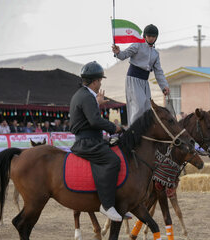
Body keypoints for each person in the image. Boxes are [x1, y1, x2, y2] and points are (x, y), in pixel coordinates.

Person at [69, 61, 127, 222]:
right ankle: (107, 205)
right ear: (94, 81)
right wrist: (114, 128)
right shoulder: (87, 96)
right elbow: (94, 121)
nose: (101, 83)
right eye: (100, 80)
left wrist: (97, 103)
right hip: (87, 142)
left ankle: (119, 204)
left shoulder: (83, 95)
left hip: (91, 139)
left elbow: (89, 116)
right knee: (113, 160)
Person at [112, 24, 170, 126]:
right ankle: (134, 132)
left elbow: (158, 72)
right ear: (144, 36)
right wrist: (118, 52)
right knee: (138, 107)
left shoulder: (155, 54)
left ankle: (144, 132)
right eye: (149, 36)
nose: (151, 38)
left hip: (144, 81)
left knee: (147, 107)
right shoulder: (137, 45)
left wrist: (164, 86)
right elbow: (124, 55)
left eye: (153, 36)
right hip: (133, 79)